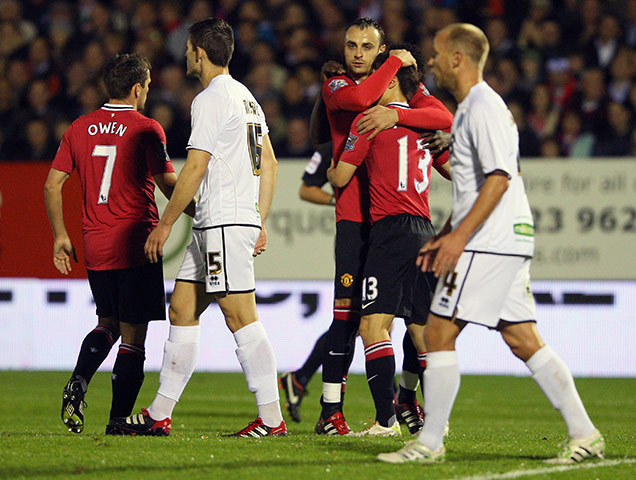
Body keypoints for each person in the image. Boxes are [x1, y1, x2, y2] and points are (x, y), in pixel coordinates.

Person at [378, 23, 604, 464]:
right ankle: (585, 433)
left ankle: (429, 443)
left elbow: (500, 179)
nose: (433, 62)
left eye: (439, 54)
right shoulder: (470, 111)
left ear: (458, 58)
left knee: (439, 331)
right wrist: (445, 233)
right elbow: (471, 186)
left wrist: (458, 239)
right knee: (522, 338)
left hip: (489, 241)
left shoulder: (482, 106)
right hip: (503, 239)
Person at [107, 17, 284, 438]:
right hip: (221, 221)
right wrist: (259, 219)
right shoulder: (247, 99)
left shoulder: (209, 100)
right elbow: (271, 163)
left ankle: (272, 420)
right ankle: (159, 414)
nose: (185, 55)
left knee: (240, 315)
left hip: (221, 220)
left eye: (188, 49)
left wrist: (166, 223)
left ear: (199, 53)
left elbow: (197, 165)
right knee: (182, 309)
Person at [312, 17, 454, 437]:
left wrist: (392, 110)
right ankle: (335, 411)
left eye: (366, 47)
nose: (356, 53)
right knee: (395, 323)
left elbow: (436, 112)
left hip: (386, 224)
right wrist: (396, 77)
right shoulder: (340, 87)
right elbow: (439, 130)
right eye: (350, 45)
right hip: (397, 224)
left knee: (373, 324)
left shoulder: (375, 117)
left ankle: (386, 418)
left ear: (380, 53)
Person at [43, 53, 182, 434]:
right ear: (137, 88)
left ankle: (79, 380)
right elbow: (168, 184)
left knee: (107, 323)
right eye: (149, 85)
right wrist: (197, 209)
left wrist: (60, 236)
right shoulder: (147, 128)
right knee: (134, 337)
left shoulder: (79, 127)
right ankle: (118, 420)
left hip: (96, 243)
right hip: (136, 241)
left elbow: (53, 184)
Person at [279, 141, 334, 423]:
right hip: (359, 239)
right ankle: (396, 401)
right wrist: (338, 201)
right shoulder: (336, 145)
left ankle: (300, 379)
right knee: (361, 322)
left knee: (365, 323)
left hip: (385, 237)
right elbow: (307, 188)